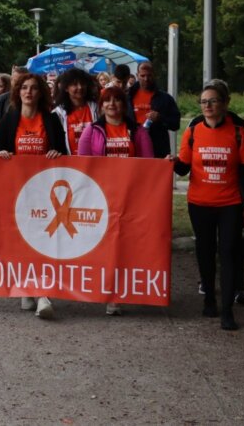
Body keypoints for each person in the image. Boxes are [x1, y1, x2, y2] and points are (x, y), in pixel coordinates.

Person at [174, 79, 244, 331]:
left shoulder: (237, 131)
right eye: (203, 102)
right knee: (205, 251)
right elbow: (183, 168)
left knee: (229, 252)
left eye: (213, 101)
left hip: (230, 203)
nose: (207, 106)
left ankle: (227, 312)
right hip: (199, 203)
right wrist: (170, 161)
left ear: (225, 103)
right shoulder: (193, 131)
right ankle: (209, 299)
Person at [0, 72, 68, 319]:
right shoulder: (10, 118)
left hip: (45, 192)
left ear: (41, 92)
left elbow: (63, 152)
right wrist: (1, 154)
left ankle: (43, 293)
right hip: (17, 192)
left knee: (43, 241)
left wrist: (56, 153)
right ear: (18, 92)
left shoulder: (51, 119)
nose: (29, 92)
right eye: (24, 87)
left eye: (34, 88)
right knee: (22, 240)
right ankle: (26, 286)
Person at [77, 85, 155, 316]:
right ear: (101, 106)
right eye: (107, 100)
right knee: (103, 246)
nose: (112, 105)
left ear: (124, 104)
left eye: (117, 100)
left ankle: (117, 294)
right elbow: (83, 166)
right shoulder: (92, 131)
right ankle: (103, 290)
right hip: (101, 198)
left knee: (124, 246)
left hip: (129, 198)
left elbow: (149, 165)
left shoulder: (138, 131)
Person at [127, 61, 181, 159]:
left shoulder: (165, 98)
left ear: (155, 75)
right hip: (132, 147)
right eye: (142, 76)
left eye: (149, 75)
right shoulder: (128, 96)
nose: (146, 79)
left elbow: (175, 124)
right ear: (137, 75)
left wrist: (160, 118)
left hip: (157, 149)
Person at [53, 68, 101, 156]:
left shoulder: (97, 109)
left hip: (94, 163)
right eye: (75, 84)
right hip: (70, 165)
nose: (80, 87)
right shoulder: (57, 113)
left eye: (82, 83)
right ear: (66, 88)